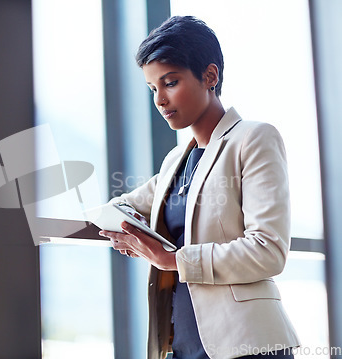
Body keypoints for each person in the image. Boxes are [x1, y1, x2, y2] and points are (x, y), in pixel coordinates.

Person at [98, 16, 300, 359]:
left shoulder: (254, 138)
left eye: (170, 82)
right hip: (181, 344)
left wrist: (173, 259)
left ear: (210, 76)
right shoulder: (176, 160)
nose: (160, 100)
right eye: (152, 89)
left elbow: (268, 249)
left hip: (248, 344)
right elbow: (119, 207)